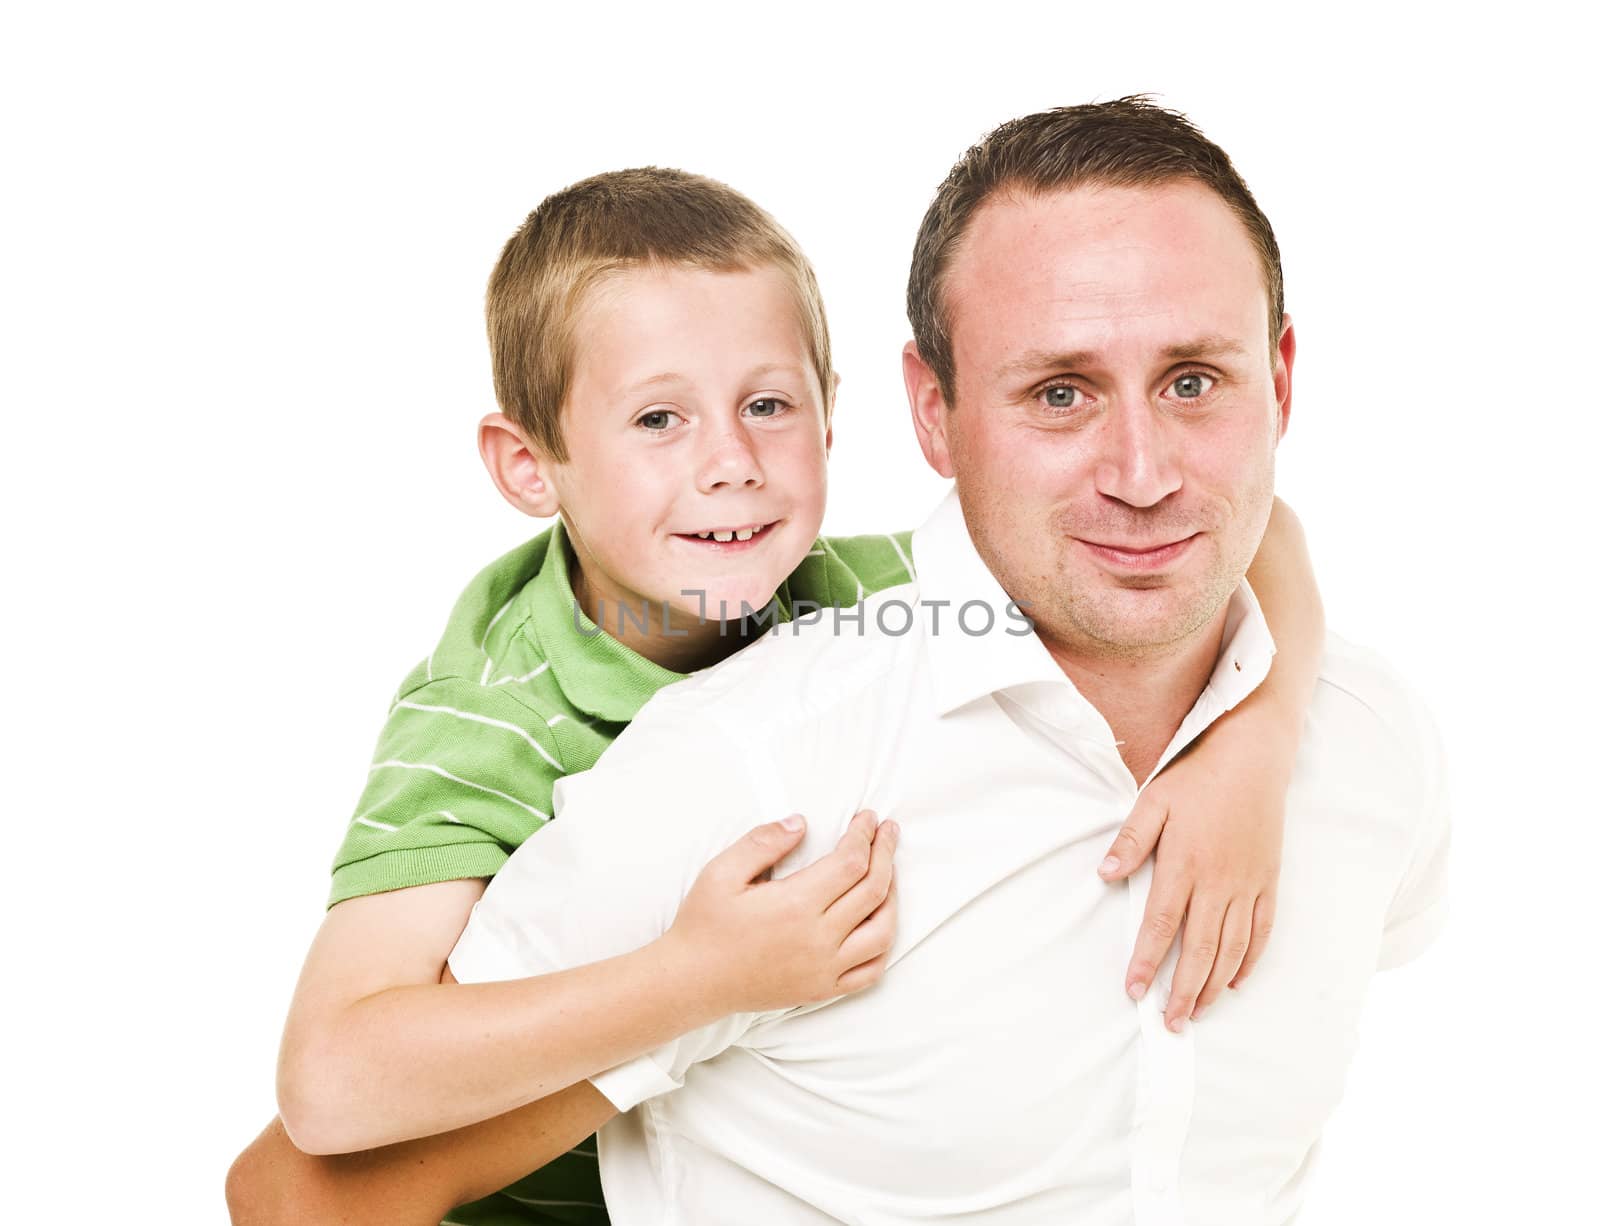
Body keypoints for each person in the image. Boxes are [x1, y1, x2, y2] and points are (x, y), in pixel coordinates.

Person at [227, 144, 1326, 1224]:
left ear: (835, 414)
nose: (730, 463)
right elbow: (327, 1085)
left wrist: (1253, 741)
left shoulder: (870, 598)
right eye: (660, 418)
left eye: (768, 406)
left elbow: (1241, 523)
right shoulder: (488, 716)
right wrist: (700, 977)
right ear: (530, 464)